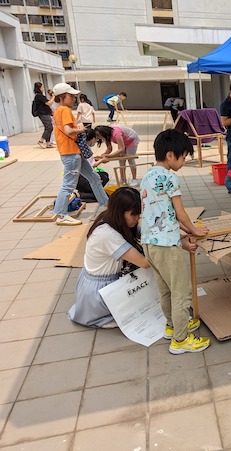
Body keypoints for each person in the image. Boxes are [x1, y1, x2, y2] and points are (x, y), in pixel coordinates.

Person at [140, 128, 211, 355]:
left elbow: (164, 214)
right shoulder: (170, 177)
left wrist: (185, 229)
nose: (183, 162)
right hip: (166, 246)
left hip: (149, 243)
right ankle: (180, 340)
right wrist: (194, 230)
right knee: (181, 292)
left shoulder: (147, 176)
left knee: (166, 290)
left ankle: (173, 326)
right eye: (183, 157)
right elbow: (180, 213)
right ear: (170, 155)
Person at [67, 187, 150, 328]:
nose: (137, 219)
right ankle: (104, 314)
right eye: (134, 215)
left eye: (139, 215)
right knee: (149, 271)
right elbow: (145, 263)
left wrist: (178, 238)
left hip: (94, 283)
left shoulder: (110, 218)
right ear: (120, 212)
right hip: (99, 292)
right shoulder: (108, 234)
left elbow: (146, 233)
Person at [52, 83, 109, 226]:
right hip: (70, 153)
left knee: (94, 177)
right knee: (68, 185)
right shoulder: (64, 110)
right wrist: (81, 129)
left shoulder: (60, 110)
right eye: (70, 96)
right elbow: (68, 131)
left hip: (73, 152)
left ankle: (106, 205)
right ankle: (61, 214)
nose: (73, 99)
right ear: (61, 97)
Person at [33, 82, 56, 149]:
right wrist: (54, 97)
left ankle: (48, 143)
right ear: (39, 88)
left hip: (44, 113)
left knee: (48, 127)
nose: (43, 88)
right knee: (49, 127)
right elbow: (49, 103)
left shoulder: (38, 96)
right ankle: (41, 140)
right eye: (42, 87)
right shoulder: (39, 96)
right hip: (43, 113)